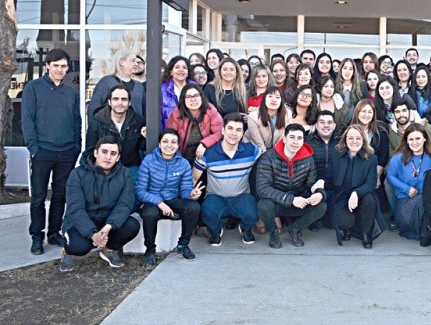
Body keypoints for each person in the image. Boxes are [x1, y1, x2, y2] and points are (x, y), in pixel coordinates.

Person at [22, 48, 82, 255]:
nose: (59, 69)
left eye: (63, 66)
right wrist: (34, 148)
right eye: (55, 65)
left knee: (60, 194)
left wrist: (77, 146)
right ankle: (37, 236)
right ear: (47, 65)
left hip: (66, 151)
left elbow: (76, 120)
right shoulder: (34, 88)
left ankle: (54, 232)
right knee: (38, 196)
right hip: (43, 151)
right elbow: (27, 120)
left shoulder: (70, 91)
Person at [58, 137, 140, 272]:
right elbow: (75, 209)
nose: (108, 157)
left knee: (132, 225)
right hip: (80, 222)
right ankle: (67, 251)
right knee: (80, 247)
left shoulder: (124, 174)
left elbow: (125, 204)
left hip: (106, 220)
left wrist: (108, 227)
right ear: (96, 153)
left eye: (113, 154)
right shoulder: (78, 174)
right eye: (104, 152)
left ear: (118, 157)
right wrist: (92, 234)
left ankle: (108, 250)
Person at [136, 129, 203, 265]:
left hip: (173, 200)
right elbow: (140, 190)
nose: (169, 145)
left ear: (178, 146)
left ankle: (183, 245)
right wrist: (159, 202)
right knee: (149, 213)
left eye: (173, 142)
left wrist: (191, 194)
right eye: (165, 141)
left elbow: (184, 190)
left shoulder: (183, 163)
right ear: (159, 144)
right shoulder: (149, 161)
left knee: (193, 207)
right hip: (153, 201)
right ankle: (150, 250)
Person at [193, 113, 262, 247]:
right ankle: (216, 231)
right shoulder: (208, 153)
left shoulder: (251, 151)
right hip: (215, 197)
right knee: (207, 213)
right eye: (230, 128)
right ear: (223, 130)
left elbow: (268, 161)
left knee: (254, 214)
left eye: (238, 130)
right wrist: (191, 193)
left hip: (241, 196)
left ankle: (245, 229)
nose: (234, 133)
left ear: (243, 133)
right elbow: (194, 178)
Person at [255, 124, 327, 248]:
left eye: (299, 138)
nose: (295, 141)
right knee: (264, 205)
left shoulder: (308, 159)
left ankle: (295, 229)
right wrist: (291, 200)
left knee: (321, 206)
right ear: (284, 139)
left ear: (303, 141)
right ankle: (273, 232)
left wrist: (319, 193)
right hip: (277, 201)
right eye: (292, 137)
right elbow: (262, 188)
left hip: (298, 201)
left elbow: (311, 184)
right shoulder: (268, 157)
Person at [324, 124, 383, 248]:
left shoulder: (371, 158)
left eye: (358, 138)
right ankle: (348, 228)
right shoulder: (336, 155)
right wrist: (320, 182)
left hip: (362, 195)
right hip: (341, 197)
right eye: (351, 138)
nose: (354, 141)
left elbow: (371, 183)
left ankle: (366, 234)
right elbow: (328, 177)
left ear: (363, 140)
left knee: (369, 200)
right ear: (345, 139)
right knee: (345, 221)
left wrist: (356, 193)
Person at [86, 85, 146, 189]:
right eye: (115, 99)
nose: (120, 103)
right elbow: (90, 150)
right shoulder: (97, 121)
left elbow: (143, 147)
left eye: (124, 99)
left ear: (129, 102)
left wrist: (146, 137)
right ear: (109, 102)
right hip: (105, 169)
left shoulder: (138, 121)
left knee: (134, 196)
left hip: (130, 169)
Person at [386, 124, 431, 242]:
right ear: (406, 141)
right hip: (405, 197)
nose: (415, 142)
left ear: (425, 138)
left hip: (429, 198)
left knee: (423, 200)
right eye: (411, 139)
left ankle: (427, 232)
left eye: (418, 138)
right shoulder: (398, 157)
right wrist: (406, 188)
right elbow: (390, 176)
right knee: (405, 219)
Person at [165, 84, 224, 165]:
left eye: (196, 95)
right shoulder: (176, 113)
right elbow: (170, 136)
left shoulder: (210, 110)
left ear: (201, 97)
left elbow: (220, 131)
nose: (193, 99)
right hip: (182, 158)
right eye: (188, 97)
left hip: (206, 156)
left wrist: (204, 144)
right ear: (183, 99)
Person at [87, 49, 145, 121]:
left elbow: (144, 113)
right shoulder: (106, 82)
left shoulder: (139, 86)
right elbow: (93, 110)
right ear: (121, 62)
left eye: (137, 61)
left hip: (135, 131)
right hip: (109, 131)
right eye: (133, 61)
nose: (136, 64)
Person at [348, 99, 390, 185]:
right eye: (363, 111)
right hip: (352, 176)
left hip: (375, 174)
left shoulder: (381, 132)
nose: (366, 115)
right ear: (357, 113)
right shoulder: (349, 131)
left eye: (370, 112)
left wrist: (377, 176)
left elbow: (383, 158)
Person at [245, 86, 291, 151]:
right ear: (264, 99)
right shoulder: (253, 116)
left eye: (277, 97)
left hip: (275, 151)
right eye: (270, 96)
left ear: (281, 101)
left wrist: (274, 155)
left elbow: (282, 139)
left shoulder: (288, 115)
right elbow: (259, 144)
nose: (274, 100)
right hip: (254, 149)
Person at [161, 56, 195, 129]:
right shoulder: (162, 90)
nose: (181, 70)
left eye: (184, 68)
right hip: (169, 132)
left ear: (188, 72)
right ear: (171, 72)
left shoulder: (196, 88)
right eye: (177, 67)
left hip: (191, 132)